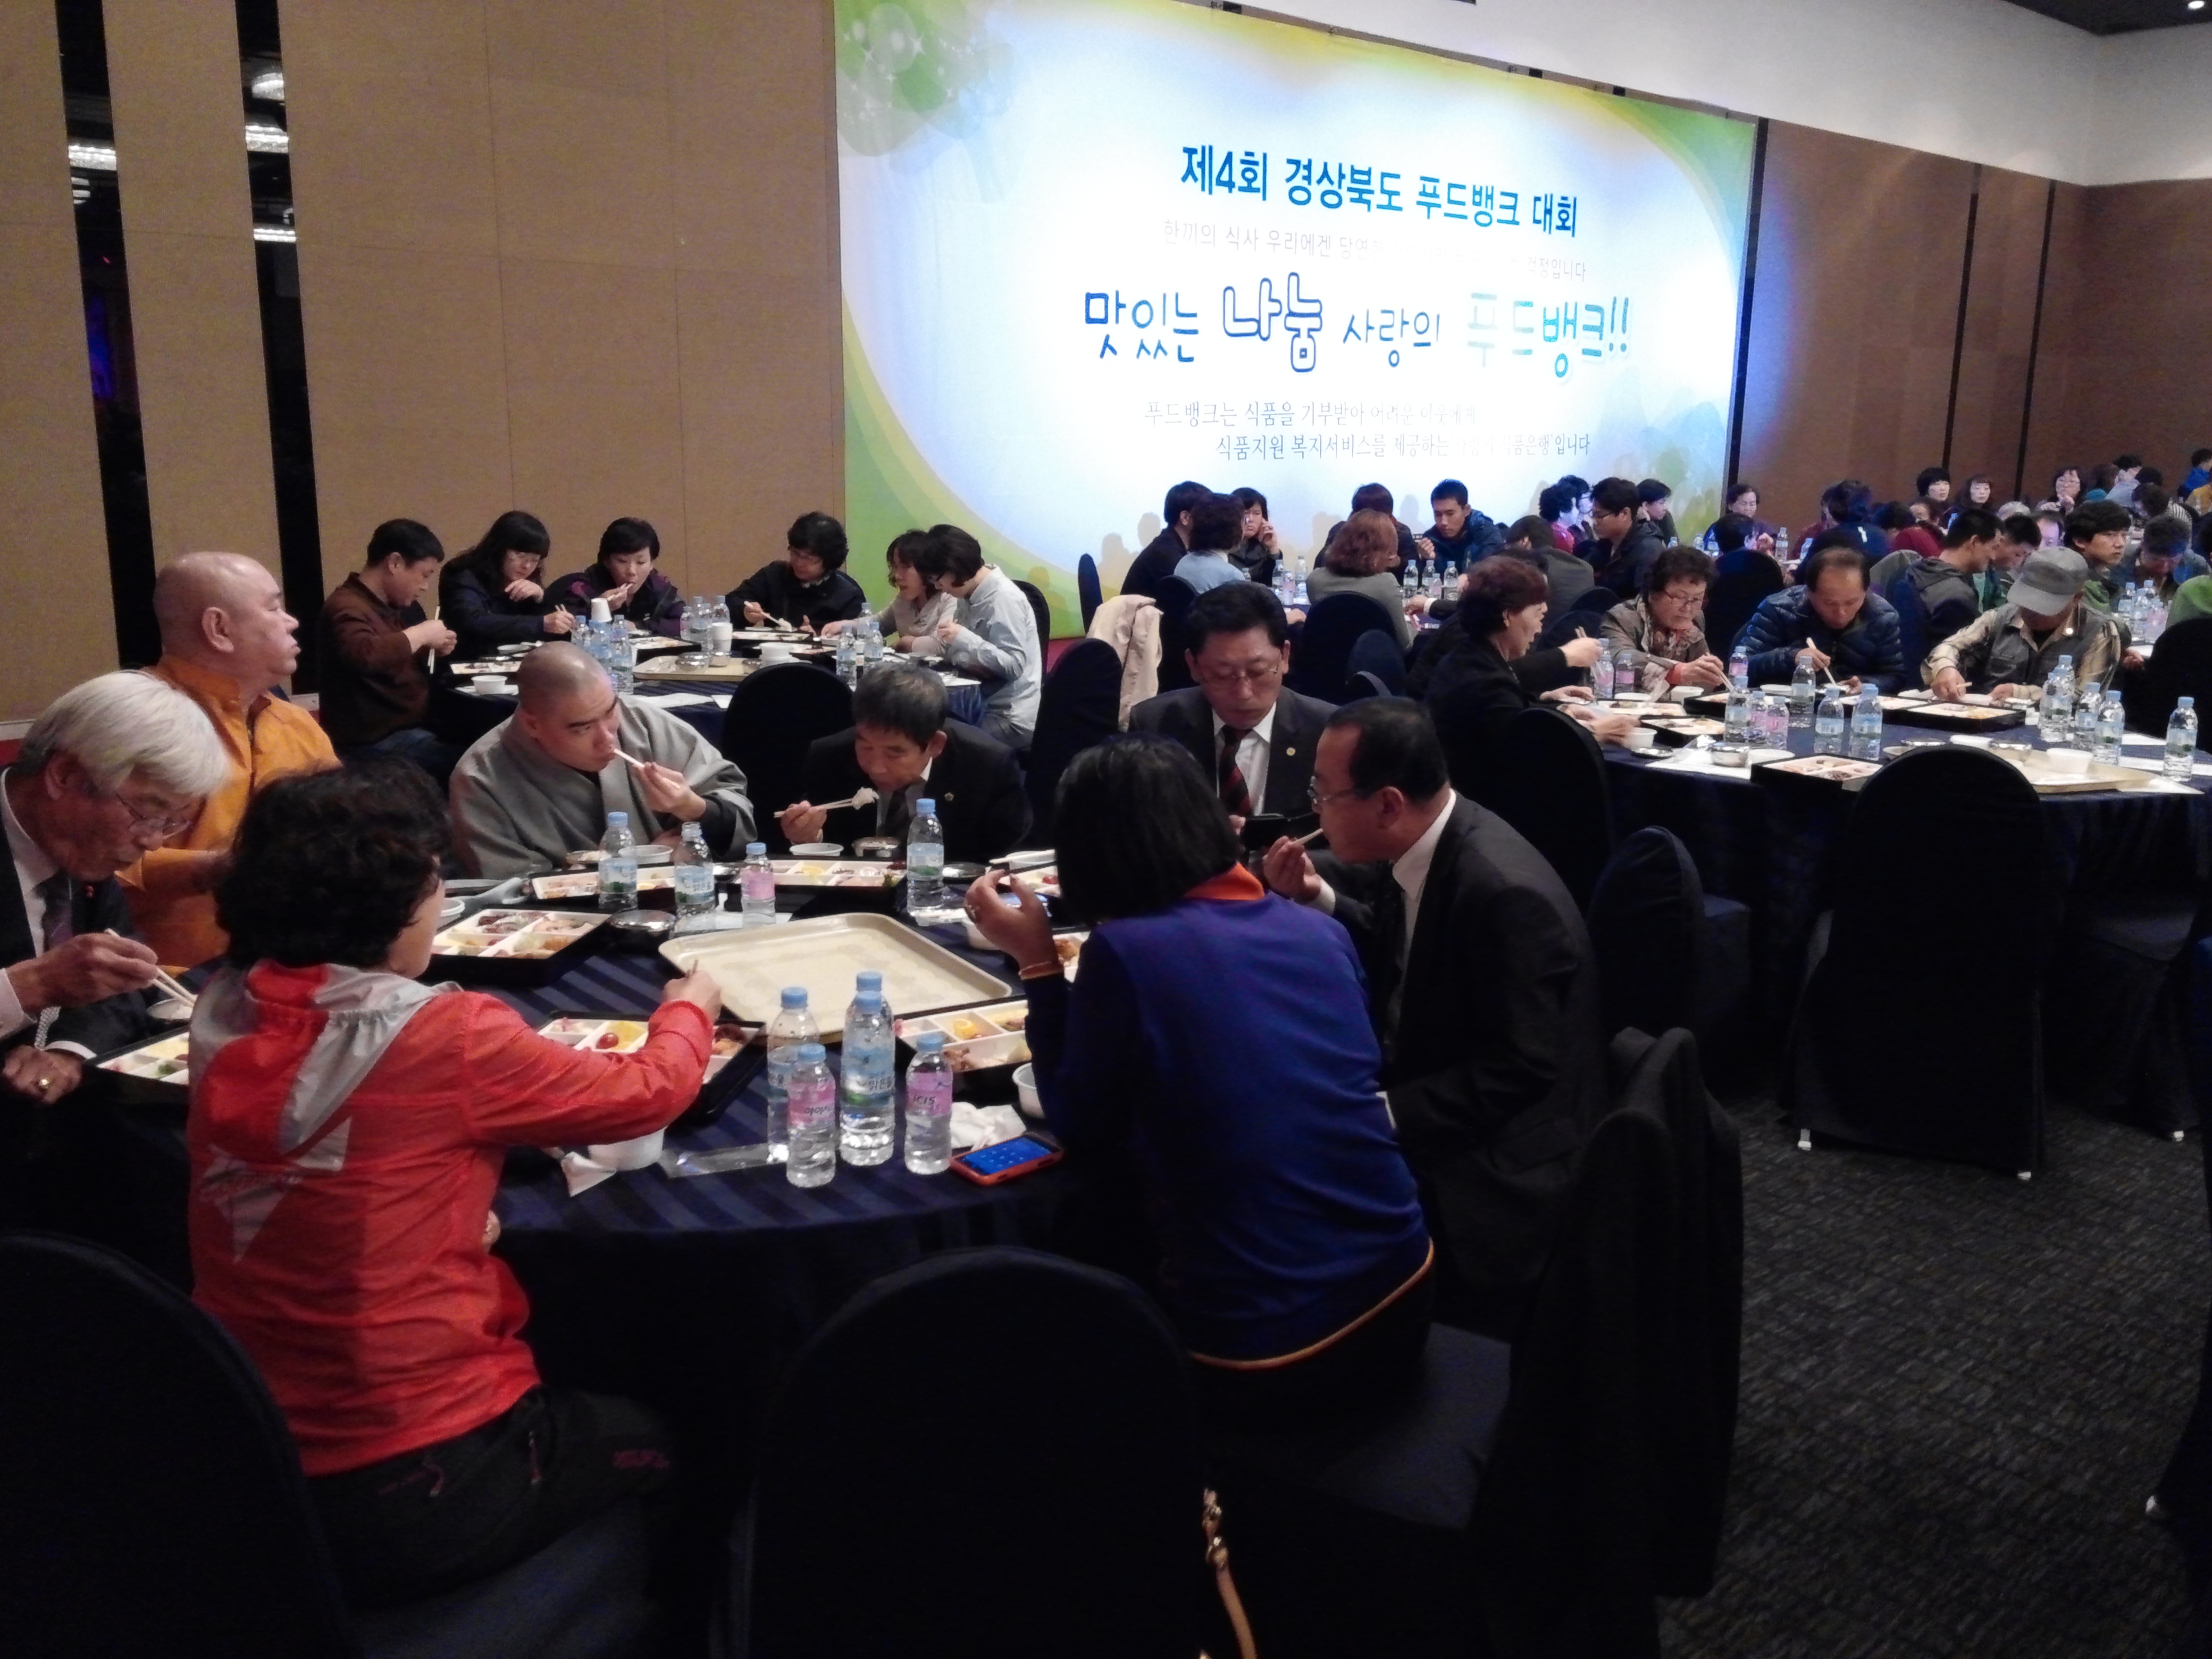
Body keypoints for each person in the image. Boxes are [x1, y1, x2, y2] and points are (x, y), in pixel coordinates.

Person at [187, 761, 722, 1607]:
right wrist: (693, 1004)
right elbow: (650, 1091)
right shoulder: (445, 1034)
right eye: (435, 880)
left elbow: (327, 1172)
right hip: (414, 1470)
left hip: (239, 1434)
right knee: (685, 1429)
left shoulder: (226, 1004)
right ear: (393, 908)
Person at [962, 736, 1432, 1428]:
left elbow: (1078, 1123)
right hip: (1407, 1288)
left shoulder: (1130, 953)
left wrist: (1036, 962)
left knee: (1042, 1325)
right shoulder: (1318, 934)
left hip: (1271, 1348)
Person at [1260, 700, 1604, 1310]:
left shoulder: (1503, 895)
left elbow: (1519, 1070)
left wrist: (1377, 1115)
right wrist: (1316, 895)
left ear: (1388, 805)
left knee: (1285, 1181)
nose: (1316, 809)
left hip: (1499, 1167)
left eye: (1324, 793)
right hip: (1432, 1074)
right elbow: (1405, 953)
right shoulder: (1426, 840)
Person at [0, 673, 229, 1272]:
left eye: (171, 823)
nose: (152, 843)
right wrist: (28, 987)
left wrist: (67, 1053)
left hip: (54, 1139)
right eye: (148, 813)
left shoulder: (82, 853)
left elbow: (117, 977)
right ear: (65, 776)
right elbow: (57, 978)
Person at [120, 554, 337, 969]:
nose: (292, 622)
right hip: (168, 979)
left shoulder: (294, 723)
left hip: (295, 966)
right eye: (274, 608)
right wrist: (216, 869)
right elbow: (82, 869)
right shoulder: (134, 721)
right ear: (219, 629)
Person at [449, 642, 756, 877]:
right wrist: (641, 865)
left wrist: (695, 809)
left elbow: (736, 806)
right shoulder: (480, 780)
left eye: (610, 712)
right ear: (533, 725)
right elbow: (512, 896)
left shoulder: (644, 723)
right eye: (582, 728)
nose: (608, 738)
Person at [1127, 581, 1333, 824]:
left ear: (1285, 657)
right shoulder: (1155, 725)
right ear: (1194, 665)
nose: (1243, 693)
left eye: (1258, 672)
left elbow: (1354, 840)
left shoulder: (1328, 732)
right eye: (1222, 675)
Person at [1423, 557, 1635, 792]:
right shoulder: (1485, 682)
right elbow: (1529, 757)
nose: (1540, 628)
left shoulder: (1472, 656)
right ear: (1507, 616)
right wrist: (1594, 732)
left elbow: (1516, 718)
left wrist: (1561, 710)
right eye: (1538, 615)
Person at [777, 663, 1028, 860]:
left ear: (935, 745)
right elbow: (823, 857)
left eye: (894, 753)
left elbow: (1008, 860)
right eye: (866, 747)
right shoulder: (830, 758)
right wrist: (807, 839)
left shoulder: (986, 766)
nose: (876, 767)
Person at [316, 519, 462, 781]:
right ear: (394, 563)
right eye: (424, 575)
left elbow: (387, 657)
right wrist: (422, 634)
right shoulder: (346, 606)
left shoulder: (380, 605)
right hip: (373, 743)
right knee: (475, 764)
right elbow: (365, 655)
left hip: (404, 729)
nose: (425, 586)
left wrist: (428, 647)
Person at [1925, 548, 2133, 701]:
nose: (2032, 612)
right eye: (2027, 602)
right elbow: (1951, 646)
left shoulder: (2099, 631)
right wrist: (1946, 668)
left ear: (2077, 598)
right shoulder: (2002, 617)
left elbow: (2085, 696)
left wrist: (2021, 694)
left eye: (2045, 606)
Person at [914, 524, 1042, 749]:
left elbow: (1014, 666)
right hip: (978, 703)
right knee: (915, 722)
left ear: (954, 567)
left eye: (937, 579)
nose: (939, 587)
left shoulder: (1003, 598)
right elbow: (960, 654)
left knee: (934, 742)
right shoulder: (967, 594)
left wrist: (964, 639)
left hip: (1010, 718)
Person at [1733, 542, 1904, 693]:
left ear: (1866, 592)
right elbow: (1740, 665)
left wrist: (1867, 684)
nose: (1841, 613)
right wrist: (1791, 657)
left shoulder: (1882, 616)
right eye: (1830, 603)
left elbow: (1896, 676)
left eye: (1851, 603)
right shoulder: (1779, 609)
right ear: (1808, 592)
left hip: (1853, 709)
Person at [438, 511, 574, 660]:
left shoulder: (528, 578)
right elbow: (472, 622)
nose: (527, 566)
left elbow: (545, 631)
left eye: (535, 560)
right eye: (520, 556)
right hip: (466, 662)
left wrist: (540, 599)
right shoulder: (462, 574)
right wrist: (540, 624)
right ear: (499, 549)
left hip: (515, 662)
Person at [1887, 507, 1998, 685]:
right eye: (1993, 547)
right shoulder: (1957, 596)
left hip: (1901, 682)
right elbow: (1963, 662)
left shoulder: (1912, 570)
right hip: (1933, 688)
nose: (1994, 556)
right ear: (1974, 542)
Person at [1601, 544, 1727, 693]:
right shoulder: (1621, 618)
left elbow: (1701, 685)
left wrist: (1708, 672)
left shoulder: (1696, 618)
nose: (1688, 608)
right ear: (1653, 593)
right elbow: (1619, 658)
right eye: (1680, 597)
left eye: (1697, 599)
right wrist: (1677, 672)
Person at [726, 510, 868, 633]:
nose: (799, 563)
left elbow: (856, 643)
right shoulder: (775, 575)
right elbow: (728, 605)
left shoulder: (848, 595)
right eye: (795, 553)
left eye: (808, 558)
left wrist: (818, 639)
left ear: (829, 560)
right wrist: (744, 612)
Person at [547, 516, 686, 638]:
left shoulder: (657, 585)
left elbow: (685, 622)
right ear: (607, 561)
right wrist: (599, 608)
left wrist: (638, 626)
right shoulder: (582, 587)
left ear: (651, 564)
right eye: (622, 561)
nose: (632, 571)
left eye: (641, 562)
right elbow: (561, 629)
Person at [819, 529, 955, 651]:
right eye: (895, 567)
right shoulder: (903, 600)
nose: (897, 576)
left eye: (906, 567)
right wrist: (844, 626)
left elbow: (941, 645)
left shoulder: (949, 598)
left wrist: (904, 644)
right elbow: (880, 624)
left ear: (927, 568)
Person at [1307, 508, 1418, 648]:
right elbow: (1405, 645)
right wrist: (1412, 627)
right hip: (1375, 659)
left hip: (1324, 659)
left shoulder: (1315, 580)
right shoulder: (1386, 585)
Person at [1121, 480, 1210, 600]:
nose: (1212, 519)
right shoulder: (1165, 554)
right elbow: (1191, 602)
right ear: (1185, 518)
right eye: (1207, 513)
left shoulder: (1173, 544)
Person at [1589, 476, 1664, 594]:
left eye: (1599, 516)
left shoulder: (1649, 550)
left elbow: (1644, 600)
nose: (1594, 522)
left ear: (1624, 514)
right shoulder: (1606, 543)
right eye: (1593, 515)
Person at [1172, 492, 1254, 595]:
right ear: (1232, 529)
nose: (1246, 526)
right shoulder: (1232, 576)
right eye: (1245, 521)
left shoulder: (1184, 562)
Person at [2118, 515, 2210, 604]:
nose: (2163, 569)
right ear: (2143, 545)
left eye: (2172, 561)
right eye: (2156, 560)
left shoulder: (2195, 565)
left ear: (2184, 552)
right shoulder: (2119, 561)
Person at [2064, 498, 2132, 606]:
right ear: (2080, 541)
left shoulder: (2104, 575)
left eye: (2124, 535)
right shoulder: (2071, 580)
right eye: (2110, 535)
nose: (2120, 544)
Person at [1425, 478, 1501, 568]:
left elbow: (1492, 569)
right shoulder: (1431, 539)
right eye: (1438, 515)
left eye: (1450, 514)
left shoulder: (1485, 532)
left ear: (1466, 510)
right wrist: (1432, 560)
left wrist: (1469, 575)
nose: (1444, 522)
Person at [1981, 513, 2041, 610]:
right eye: (2018, 555)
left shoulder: (1994, 574)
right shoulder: (1977, 569)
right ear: (2001, 541)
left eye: (2025, 557)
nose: (2018, 563)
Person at [1699, 483, 1775, 555]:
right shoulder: (1720, 526)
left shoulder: (1762, 527)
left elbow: (1775, 547)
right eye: (1743, 504)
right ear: (1731, 506)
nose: (1748, 508)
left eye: (1752, 504)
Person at [1229, 487, 1279, 586]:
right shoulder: (1223, 547)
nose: (1250, 519)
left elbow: (1273, 585)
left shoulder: (1263, 548)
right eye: (1245, 513)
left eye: (1257, 513)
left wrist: (1273, 549)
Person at [1635, 477, 1678, 546]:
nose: (1665, 508)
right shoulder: (1631, 520)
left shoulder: (1664, 516)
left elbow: (1674, 545)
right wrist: (1646, 523)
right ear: (1645, 505)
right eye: (1661, 503)